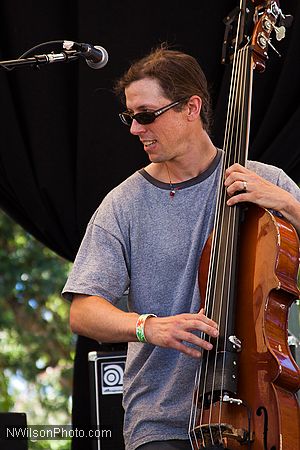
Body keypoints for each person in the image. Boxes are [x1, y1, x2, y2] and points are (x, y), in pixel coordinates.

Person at [62, 47, 300, 450]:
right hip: (162, 421)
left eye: (146, 115)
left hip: (263, 403)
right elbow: (83, 311)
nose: (135, 129)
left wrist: (290, 205)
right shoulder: (124, 203)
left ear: (192, 107)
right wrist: (149, 326)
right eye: (130, 117)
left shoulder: (265, 181)